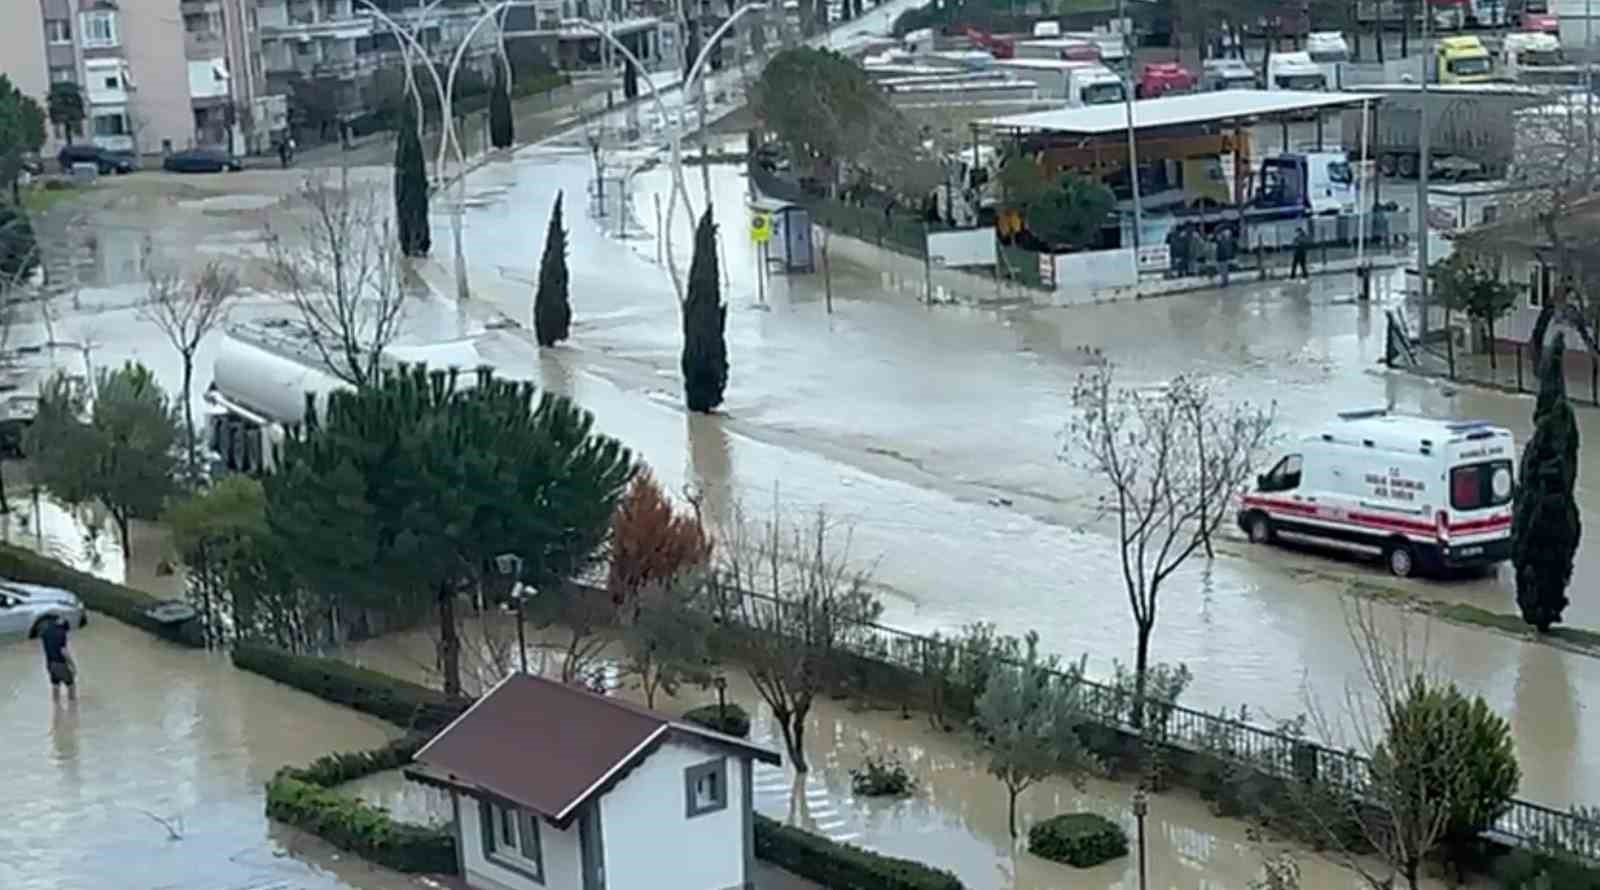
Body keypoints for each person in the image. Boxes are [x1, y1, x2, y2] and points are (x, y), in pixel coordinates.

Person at [40, 615, 76, 701]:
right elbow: (63, 651)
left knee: (55, 685)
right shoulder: (61, 633)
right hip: (59, 664)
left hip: (50, 664)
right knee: (71, 685)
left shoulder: (46, 630)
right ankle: (73, 708)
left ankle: (56, 708)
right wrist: (72, 665)